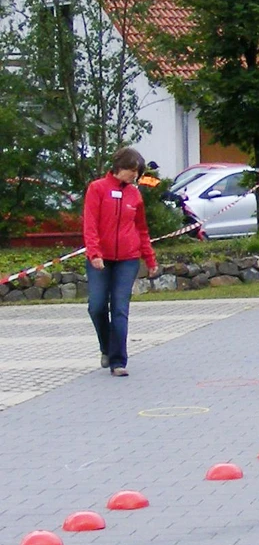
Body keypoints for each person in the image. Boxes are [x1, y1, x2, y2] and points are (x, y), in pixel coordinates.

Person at [83, 146, 158, 377]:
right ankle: (106, 347)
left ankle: (118, 361)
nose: (134, 176)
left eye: (137, 172)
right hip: (100, 258)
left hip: (128, 259)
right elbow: (90, 223)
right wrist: (94, 253)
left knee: (119, 308)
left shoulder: (134, 195)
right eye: (132, 171)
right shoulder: (97, 189)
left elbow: (142, 229)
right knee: (96, 306)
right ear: (119, 167)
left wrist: (150, 258)